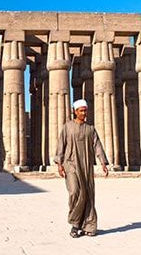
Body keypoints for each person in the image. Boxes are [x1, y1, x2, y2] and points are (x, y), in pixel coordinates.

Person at [54, 99, 109, 238]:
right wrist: (59, 163)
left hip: (86, 165)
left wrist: (103, 162)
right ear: (75, 111)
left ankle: (88, 226)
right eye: (81, 111)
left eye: (85, 110)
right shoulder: (67, 127)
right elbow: (61, 145)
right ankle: (75, 222)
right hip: (70, 164)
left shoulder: (90, 129)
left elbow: (97, 145)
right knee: (74, 191)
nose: (84, 113)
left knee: (88, 194)